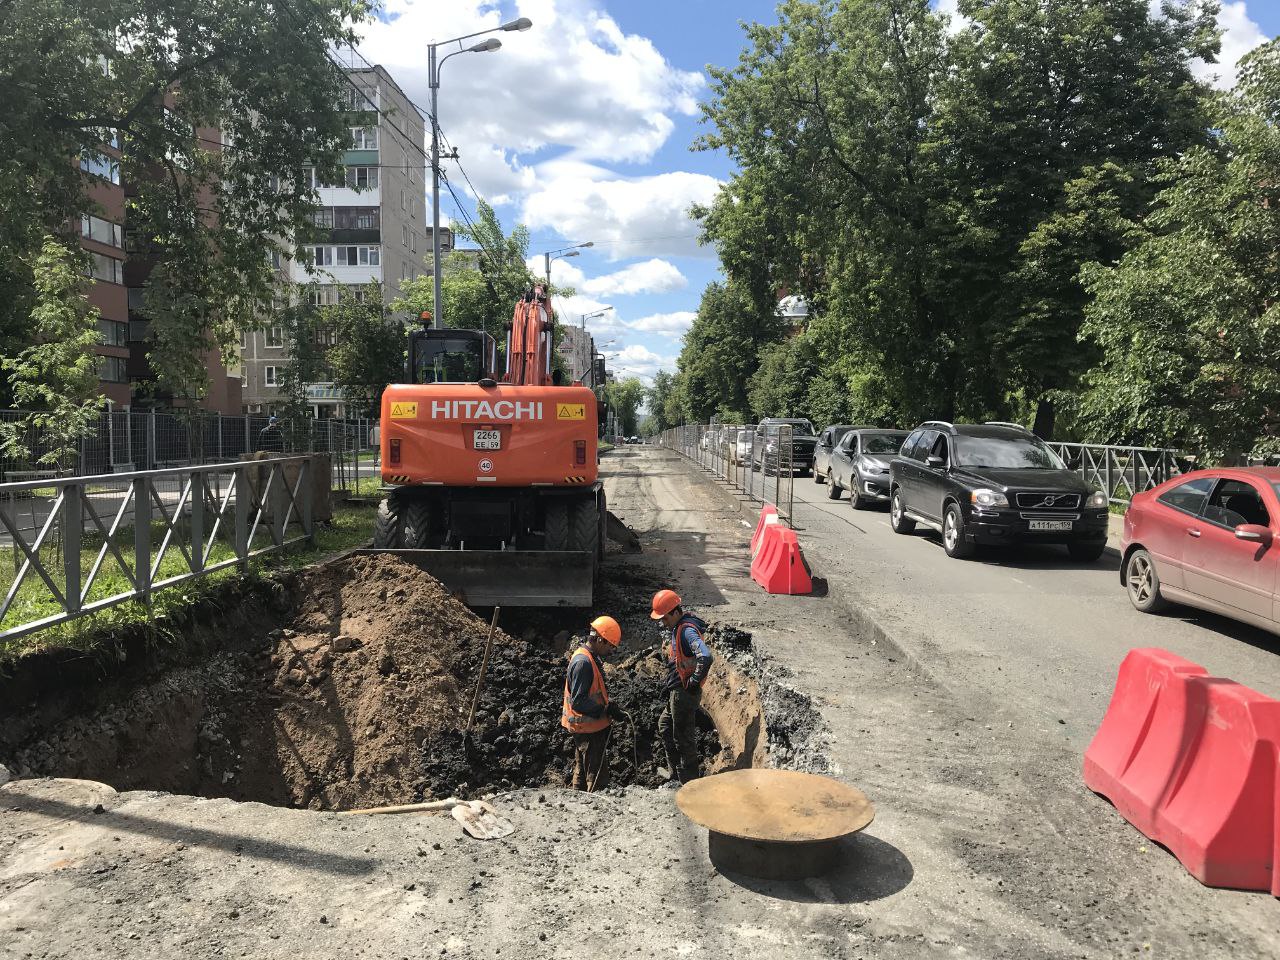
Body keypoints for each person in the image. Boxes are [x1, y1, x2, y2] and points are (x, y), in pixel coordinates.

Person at [651, 589, 713, 783]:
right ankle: (674, 774)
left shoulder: (686, 631)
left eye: (664, 618)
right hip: (677, 691)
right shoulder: (678, 628)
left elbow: (705, 656)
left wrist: (693, 682)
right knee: (665, 725)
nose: (663, 623)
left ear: (675, 612)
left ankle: (689, 782)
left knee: (683, 738)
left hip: (684, 694)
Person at [561, 615, 625, 791]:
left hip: (587, 728)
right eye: (610, 646)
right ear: (599, 640)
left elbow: (591, 692)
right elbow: (579, 701)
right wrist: (604, 710)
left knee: (582, 772)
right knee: (597, 777)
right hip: (588, 730)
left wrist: (607, 706)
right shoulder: (583, 663)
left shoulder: (589, 657)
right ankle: (595, 803)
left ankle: (578, 800)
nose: (611, 651)